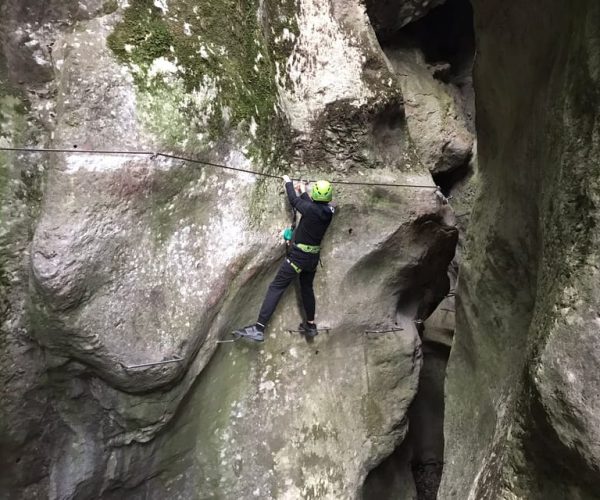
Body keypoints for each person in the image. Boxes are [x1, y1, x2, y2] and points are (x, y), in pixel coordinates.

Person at [234, 175, 335, 342]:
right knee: (307, 288)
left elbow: (295, 202)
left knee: (276, 287)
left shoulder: (310, 209)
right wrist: (303, 190)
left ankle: (259, 328)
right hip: (312, 259)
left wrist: (287, 181)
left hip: (298, 257)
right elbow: (310, 206)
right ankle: (310, 326)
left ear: (316, 195)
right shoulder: (329, 211)